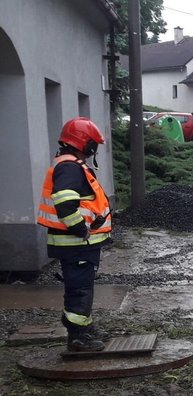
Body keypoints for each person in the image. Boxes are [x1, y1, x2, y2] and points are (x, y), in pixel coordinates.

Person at [36, 117, 112, 352]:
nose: (94, 149)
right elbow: (65, 204)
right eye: (93, 144)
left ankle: (84, 328)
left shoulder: (71, 165)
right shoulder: (69, 167)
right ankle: (78, 336)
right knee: (79, 288)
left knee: (82, 286)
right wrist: (81, 230)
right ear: (84, 143)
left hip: (78, 242)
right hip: (75, 242)